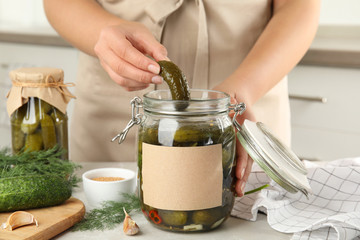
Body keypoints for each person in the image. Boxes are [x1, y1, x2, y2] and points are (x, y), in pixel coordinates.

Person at [43, 0, 320, 197]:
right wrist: (105, 31)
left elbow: (299, 4)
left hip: (246, 96)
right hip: (119, 98)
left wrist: (245, 88)